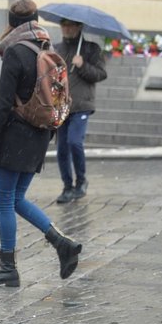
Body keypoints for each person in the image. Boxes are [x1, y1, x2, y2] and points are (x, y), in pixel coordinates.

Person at [0, 0, 82, 287]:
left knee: (3, 202)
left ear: (11, 22)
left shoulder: (15, 51)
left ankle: (7, 267)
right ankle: (62, 243)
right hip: (40, 136)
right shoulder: (48, 47)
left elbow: (2, 104)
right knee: (16, 199)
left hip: (14, 136)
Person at [54, 20, 107, 203]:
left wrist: (82, 65)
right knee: (61, 149)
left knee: (74, 142)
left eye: (70, 26)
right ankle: (67, 186)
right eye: (64, 26)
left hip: (82, 105)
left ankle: (81, 181)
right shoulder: (56, 49)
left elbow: (101, 74)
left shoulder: (91, 49)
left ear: (79, 27)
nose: (66, 29)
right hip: (61, 106)